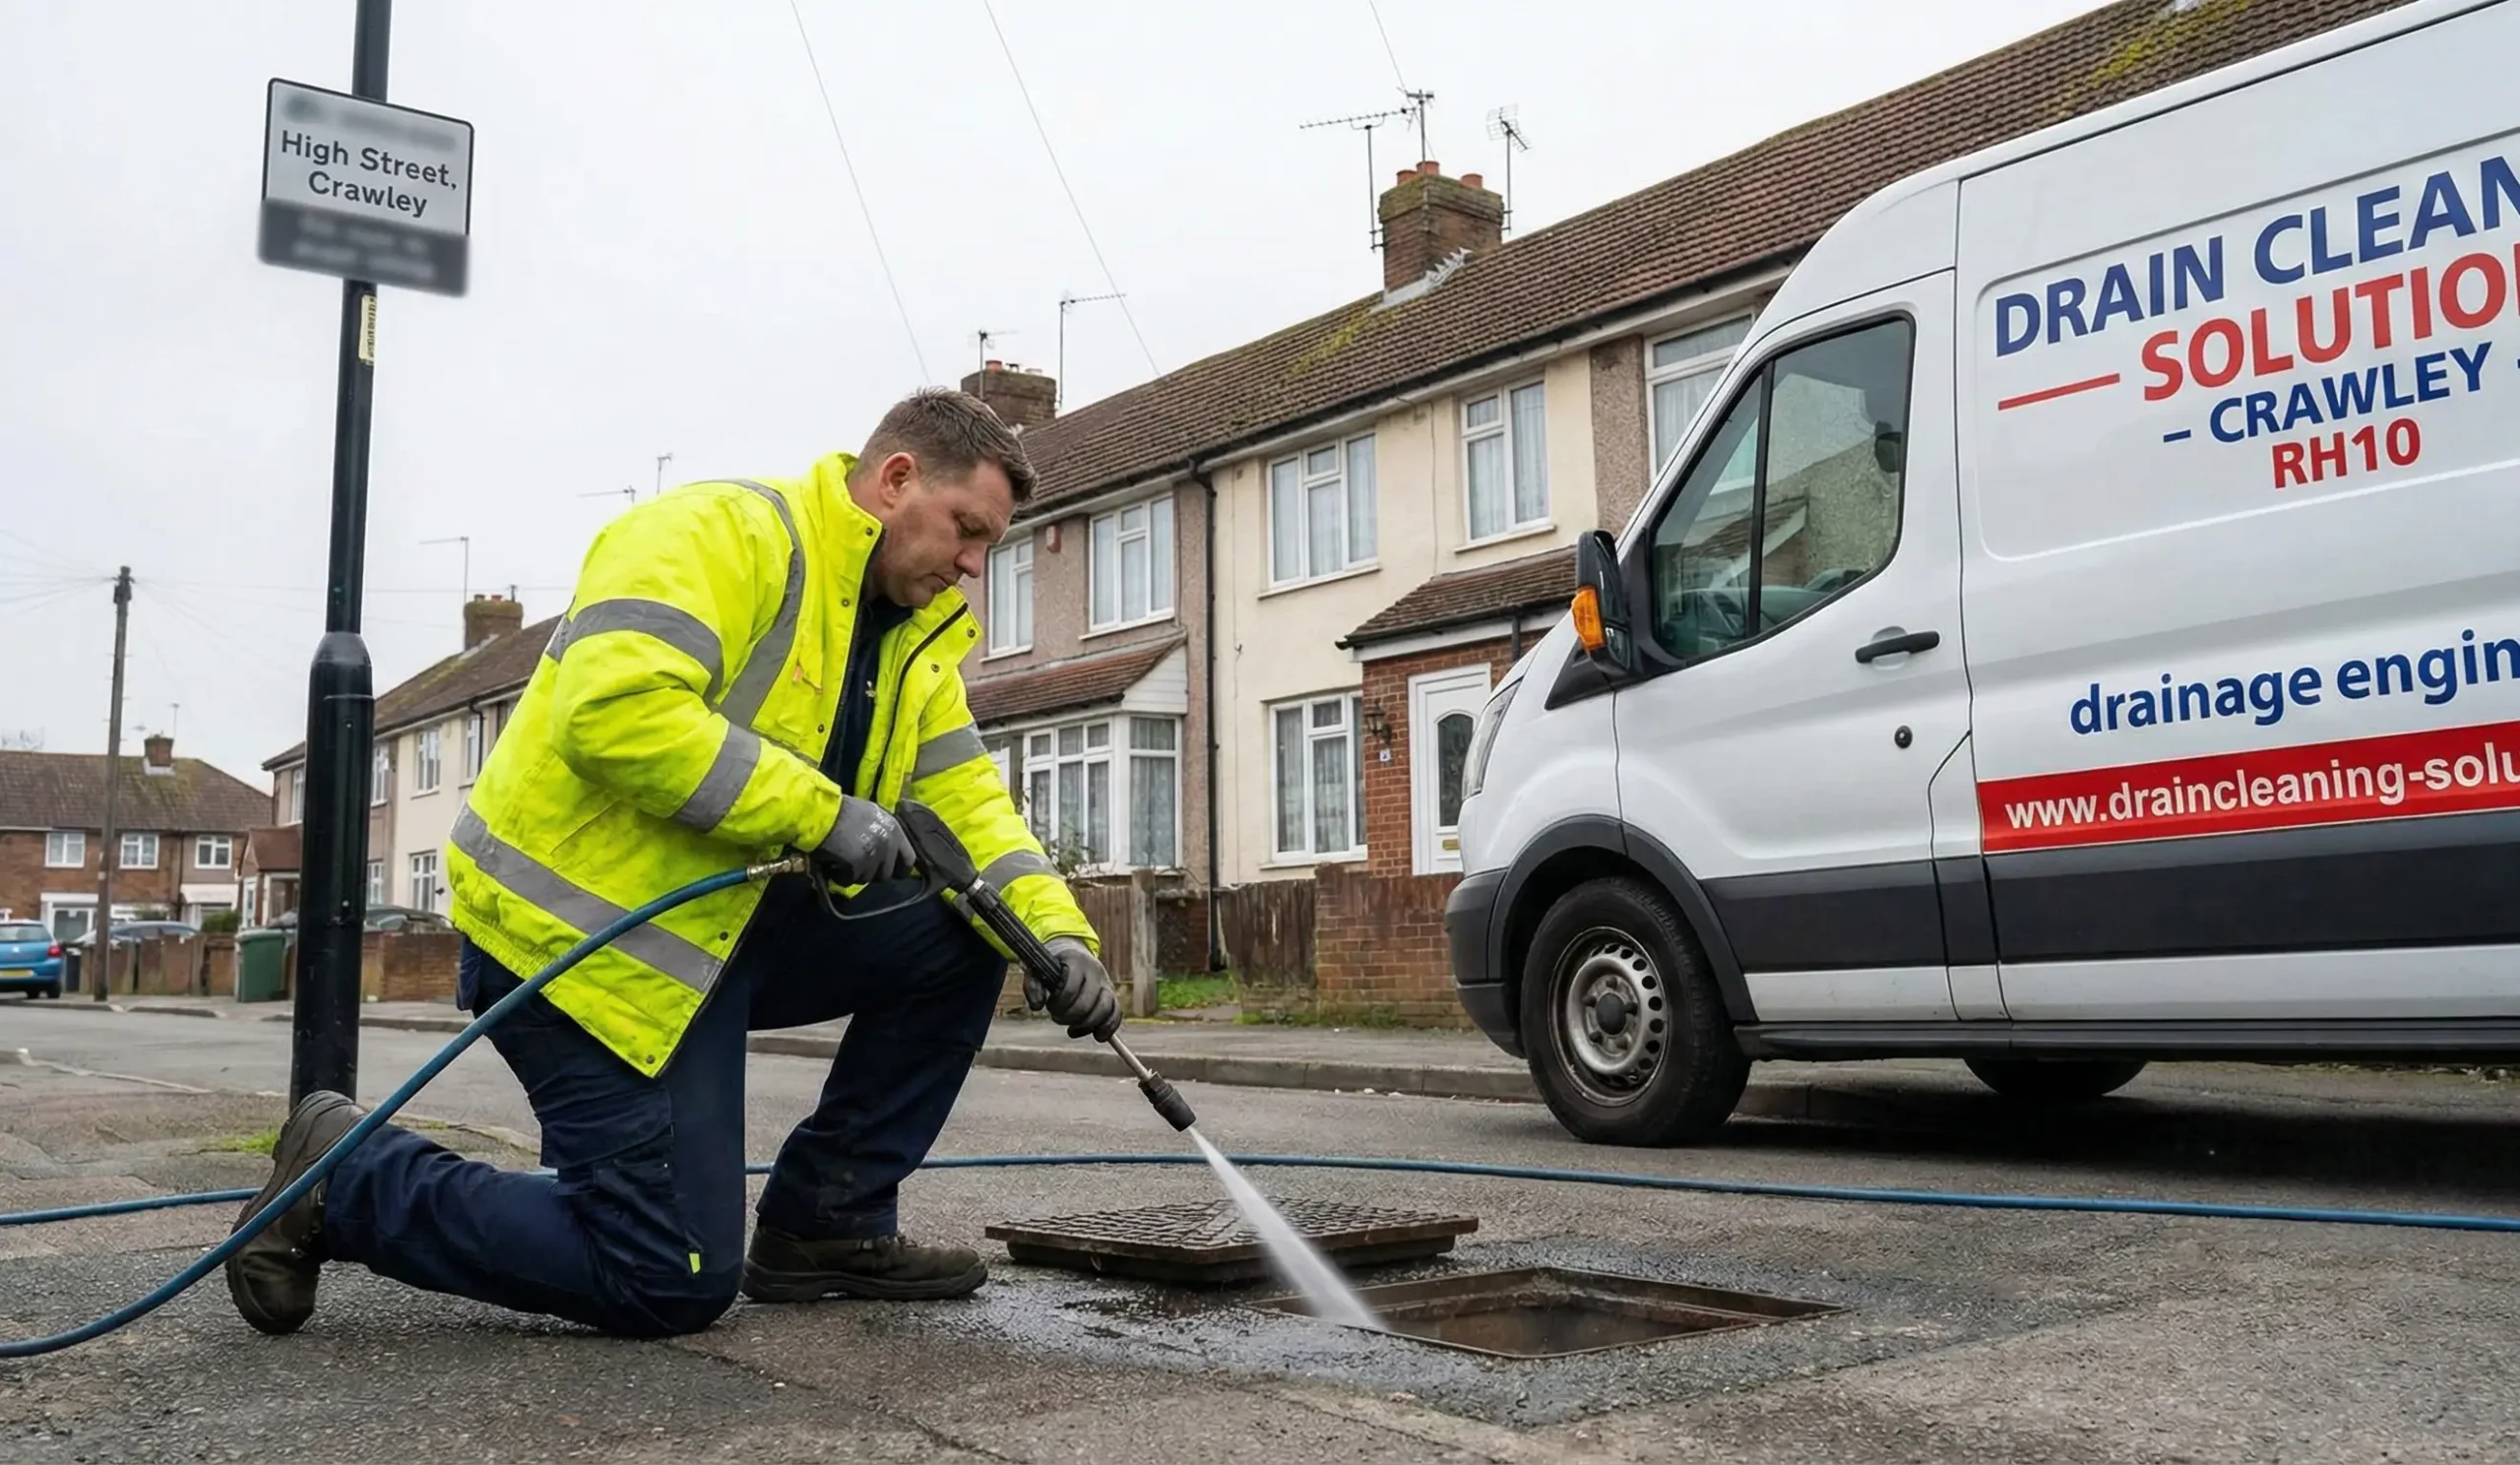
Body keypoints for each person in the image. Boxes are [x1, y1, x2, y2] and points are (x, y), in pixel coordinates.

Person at [225, 388, 1121, 1339]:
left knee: (968, 929)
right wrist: (823, 814)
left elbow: (972, 812)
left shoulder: (912, 646)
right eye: (967, 531)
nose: (975, 567)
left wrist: (1058, 939)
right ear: (896, 480)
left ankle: (829, 1223)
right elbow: (614, 710)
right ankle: (345, 1182)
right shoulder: (718, 534)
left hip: (713, 942)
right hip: (575, 947)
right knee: (668, 1275)